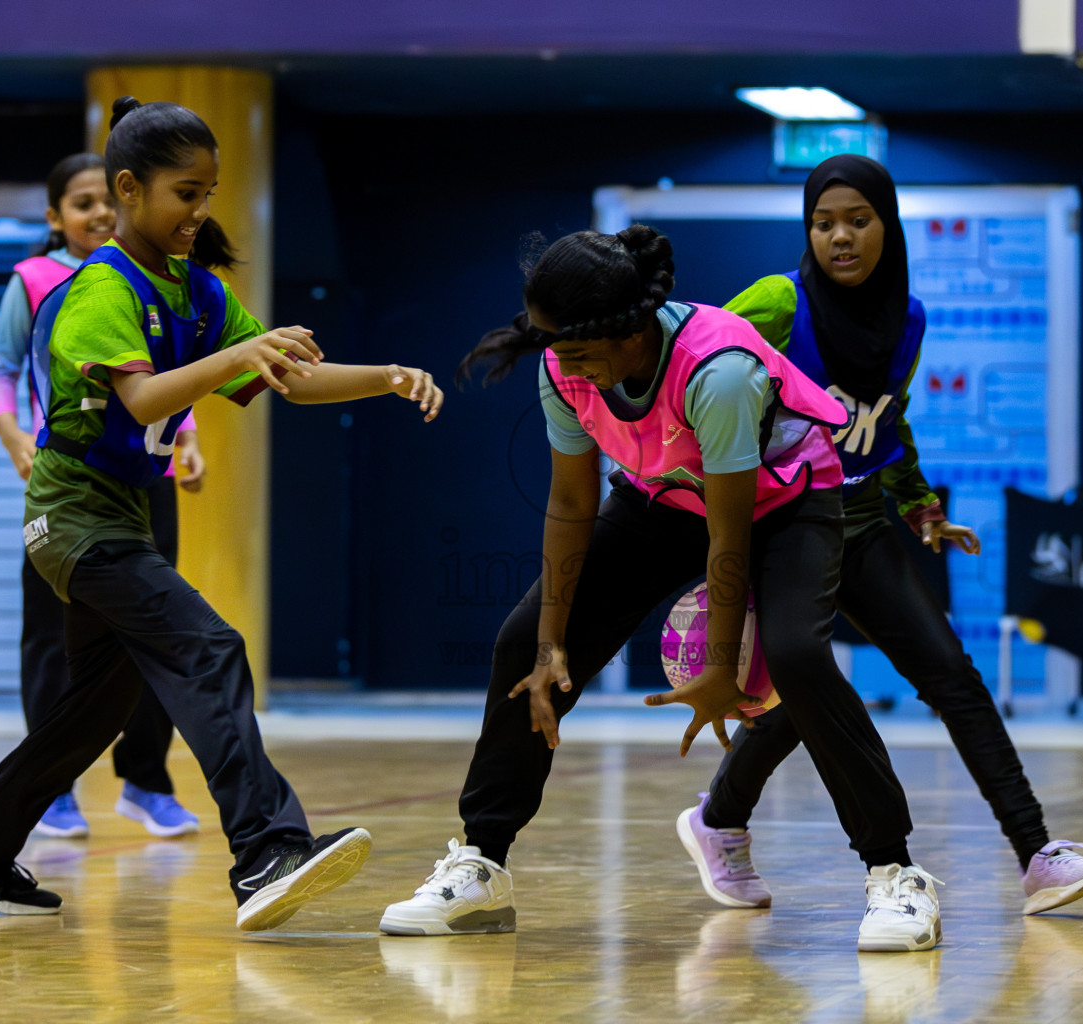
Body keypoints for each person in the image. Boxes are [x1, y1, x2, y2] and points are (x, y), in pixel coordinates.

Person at [0, 96, 444, 932]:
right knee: (209, 647)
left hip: (122, 514)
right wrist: (238, 352)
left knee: (94, 707)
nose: (202, 211)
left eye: (209, 193)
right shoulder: (99, 290)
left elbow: (288, 377)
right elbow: (142, 399)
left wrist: (385, 374)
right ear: (128, 189)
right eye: (185, 193)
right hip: (74, 518)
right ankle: (267, 847)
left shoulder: (196, 292)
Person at [380, 225, 942, 952]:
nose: (564, 364)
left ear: (632, 330)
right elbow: (572, 504)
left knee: (798, 656)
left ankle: (895, 872)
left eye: (579, 350)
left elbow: (729, 534)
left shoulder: (720, 368)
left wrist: (717, 667)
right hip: (666, 496)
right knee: (523, 643)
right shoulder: (563, 365)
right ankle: (482, 862)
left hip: (783, 500)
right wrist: (555, 643)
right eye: (555, 347)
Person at [678, 155, 1083, 917]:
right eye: (823, 224)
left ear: (888, 226)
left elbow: (884, 418)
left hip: (859, 523)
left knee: (952, 676)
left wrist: (917, 504)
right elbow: (695, 373)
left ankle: (1037, 854)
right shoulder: (777, 303)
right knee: (803, 695)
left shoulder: (906, 318)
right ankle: (720, 820)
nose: (839, 237)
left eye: (857, 220)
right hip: (781, 530)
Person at [0, 152, 202, 840]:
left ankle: (146, 782)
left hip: (145, 481)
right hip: (67, 487)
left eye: (105, 201)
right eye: (81, 204)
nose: (97, 214)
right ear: (55, 218)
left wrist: (188, 436)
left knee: (153, 632)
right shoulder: (33, 280)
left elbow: (168, 373)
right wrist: (12, 433)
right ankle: (53, 790)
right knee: (52, 640)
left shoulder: (149, 280)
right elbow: (1, 370)